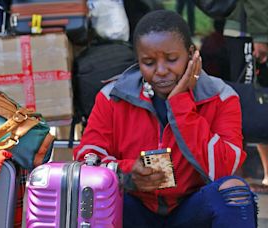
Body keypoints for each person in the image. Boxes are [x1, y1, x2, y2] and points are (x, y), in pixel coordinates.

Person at [74, 10, 257, 227]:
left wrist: (181, 105)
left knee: (234, 192)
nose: (161, 71)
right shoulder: (112, 97)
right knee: (90, 196)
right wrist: (127, 173)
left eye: (172, 59)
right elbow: (87, 161)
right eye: (149, 62)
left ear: (192, 54)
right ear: (137, 60)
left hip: (191, 208)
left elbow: (223, 169)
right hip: (134, 208)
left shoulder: (221, 96)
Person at [223, 0, 268, 193]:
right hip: (250, 31)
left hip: (253, 30)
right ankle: (237, 175)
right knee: (250, 103)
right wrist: (260, 35)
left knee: (254, 102)